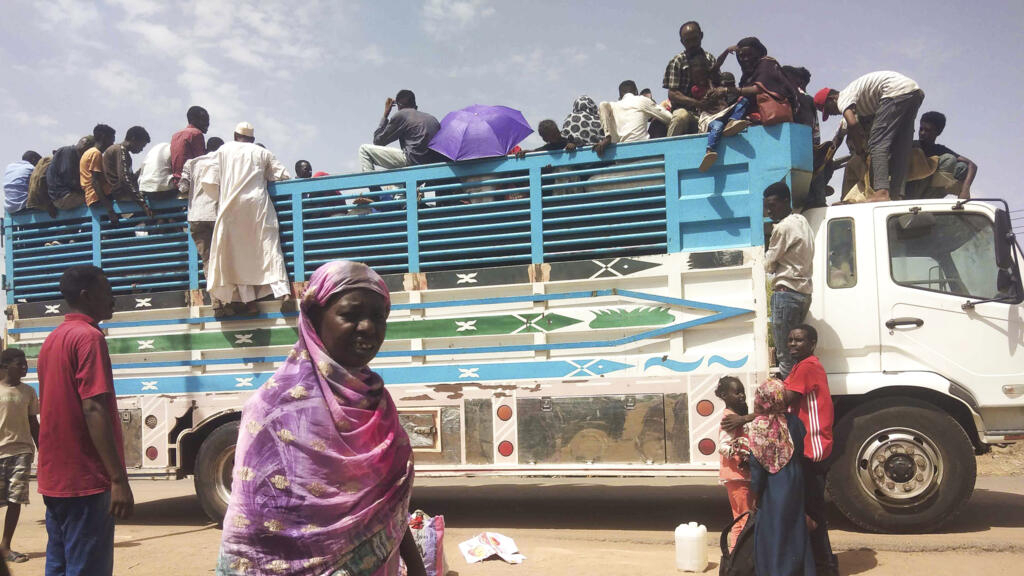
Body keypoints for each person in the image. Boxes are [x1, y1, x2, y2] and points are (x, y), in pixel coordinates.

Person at [216, 260, 427, 576]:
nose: (369, 327)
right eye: (351, 315)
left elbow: (389, 506)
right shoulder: (271, 409)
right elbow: (251, 534)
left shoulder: (376, 401)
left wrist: (416, 566)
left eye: (378, 316)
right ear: (314, 318)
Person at [36, 265, 134, 576]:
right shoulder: (89, 338)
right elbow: (94, 408)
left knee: (60, 564)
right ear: (87, 296)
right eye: (107, 291)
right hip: (85, 480)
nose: (113, 298)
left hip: (56, 480)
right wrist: (117, 479)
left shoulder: (53, 339)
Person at [207, 122, 292, 312]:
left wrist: (221, 198)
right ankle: (284, 292)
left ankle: (249, 301)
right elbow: (283, 175)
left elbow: (210, 181)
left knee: (239, 256)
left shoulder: (223, 150)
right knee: (269, 249)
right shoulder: (262, 152)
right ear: (252, 139)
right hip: (258, 206)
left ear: (235, 135)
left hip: (231, 208)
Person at [814, 71, 925, 201]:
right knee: (902, 147)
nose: (832, 114)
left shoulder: (843, 98)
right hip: (914, 93)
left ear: (832, 99)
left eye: (828, 109)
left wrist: (860, 149)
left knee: (877, 144)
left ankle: (882, 192)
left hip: (895, 92)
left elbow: (852, 124)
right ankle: (897, 194)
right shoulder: (859, 101)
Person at [747, 378, 816, 576]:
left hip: (772, 486)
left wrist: (756, 493)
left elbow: (757, 466)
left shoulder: (758, 427)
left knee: (773, 530)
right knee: (794, 527)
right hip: (794, 480)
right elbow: (801, 449)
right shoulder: (793, 421)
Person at [783, 324, 837, 576]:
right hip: (807, 448)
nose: (793, 344)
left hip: (811, 449)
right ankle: (817, 564)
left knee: (813, 514)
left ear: (812, 343)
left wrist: (746, 418)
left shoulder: (807, 367)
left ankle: (826, 567)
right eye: (791, 340)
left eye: (799, 341)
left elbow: (783, 400)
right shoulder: (801, 366)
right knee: (808, 511)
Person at [763, 182, 813, 379]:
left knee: (785, 355)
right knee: (798, 354)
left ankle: (790, 403)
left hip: (786, 294)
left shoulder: (782, 228)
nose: (769, 211)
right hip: (803, 294)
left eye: (773, 206)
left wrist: (774, 264)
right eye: (767, 207)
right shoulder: (802, 221)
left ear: (786, 201)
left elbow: (768, 264)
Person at [179, 136, 226, 313]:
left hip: (196, 216)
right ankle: (228, 300)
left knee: (207, 260)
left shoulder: (191, 163)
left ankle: (216, 302)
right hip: (216, 215)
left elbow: (182, 187)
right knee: (222, 259)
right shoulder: (223, 162)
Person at [0, 349, 38, 564]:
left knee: (15, 500)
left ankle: (6, 546)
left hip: (22, 452)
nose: (25, 367)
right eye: (19, 364)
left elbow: (33, 423)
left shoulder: (29, 392)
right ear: (5, 366)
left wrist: (42, 447)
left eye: (26, 363)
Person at [692, 57, 750, 172]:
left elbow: (716, 67)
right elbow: (713, 69)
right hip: (710, 117)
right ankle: (710, 150)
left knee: (744, 100)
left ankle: (732, 122)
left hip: (725, 116)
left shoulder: (727, 91)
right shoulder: (706, 91)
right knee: (718, 126)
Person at [663, 21, 719, 136]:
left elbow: (718, 83)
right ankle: (670, 150)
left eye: (695, 39)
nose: (692, 44)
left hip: (709, 111)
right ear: (682, 42)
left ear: (701, 36)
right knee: (680, 116)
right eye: (687, 41)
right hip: (686, 111)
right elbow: (673, 94)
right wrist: (698, 103)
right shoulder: (677, 61)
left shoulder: (710, 59)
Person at [906, 111, 978, 200]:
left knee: (961, 167)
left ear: (938, 132)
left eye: (927, 130)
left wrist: (965, 190)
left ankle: (929, 200)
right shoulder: (911, 146)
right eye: (921, 129)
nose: (922, 133)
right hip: (908, 190)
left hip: (927, 193)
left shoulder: (939, 150)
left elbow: (972, 165)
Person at [716, 376, 751, 552]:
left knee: (740, 519)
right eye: (736, 392)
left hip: (737, 476)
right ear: (724, 395)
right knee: (744, 520)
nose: (741, 396)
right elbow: (722, 446)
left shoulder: (736, 416)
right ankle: (739, 558)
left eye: (742, 392)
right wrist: (741, 454)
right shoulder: (730, 418)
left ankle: (734, 557)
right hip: (737, 476)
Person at [594, 80, 672, 155]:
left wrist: (607, 136)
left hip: (621, 155)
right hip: (643, 151)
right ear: (636, 92)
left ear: (620, 96)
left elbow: (602, 105)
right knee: (657, 121)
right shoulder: (642, 100)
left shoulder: (613, 106)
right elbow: (669, 118)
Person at [102, 126, 154, 219]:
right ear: (133, 139)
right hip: (119, 194)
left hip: (119, 194)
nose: (141, 150)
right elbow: (124, 179)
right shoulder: (120, 150)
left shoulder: (122, 152)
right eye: (141, 146)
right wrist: (141, 202)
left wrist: (141, 170)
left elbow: (128, 177)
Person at [80, 124, 120, 222]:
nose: (112, 143)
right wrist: (109, 209)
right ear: (104, 137)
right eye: (112, 139)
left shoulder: (88, 152)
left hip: (93, 197)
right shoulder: (96, 154)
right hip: (98, 198)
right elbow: (95, 182)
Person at [46, 136, 93, 211]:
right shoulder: (69, 152)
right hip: (64, 196)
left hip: (60, 196)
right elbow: (71, 180)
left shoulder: (72, 153)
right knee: (96, 199)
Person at [171, 106, 210, 187]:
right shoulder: (196, 133)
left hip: (176, 181)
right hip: (188, 182)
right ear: (194, 120)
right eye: (204, 119)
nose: (208, 123)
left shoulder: (175, 135)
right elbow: (201, 162)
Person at [27, 150, 57, 217]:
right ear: (34, 159)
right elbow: (42, 185)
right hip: (43, 204)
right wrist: (49, 206)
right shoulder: (47, 164)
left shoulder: (35, 171)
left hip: (32, 205)